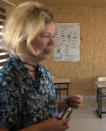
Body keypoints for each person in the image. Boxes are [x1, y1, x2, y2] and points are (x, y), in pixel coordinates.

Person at [0, 1, 83, 131]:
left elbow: (45, 108)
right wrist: (42, 128)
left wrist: (67, 103)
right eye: (46, 36)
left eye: (53, 36)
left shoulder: (43, 72)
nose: (52, 42)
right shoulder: (6, 79)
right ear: (22, 37)